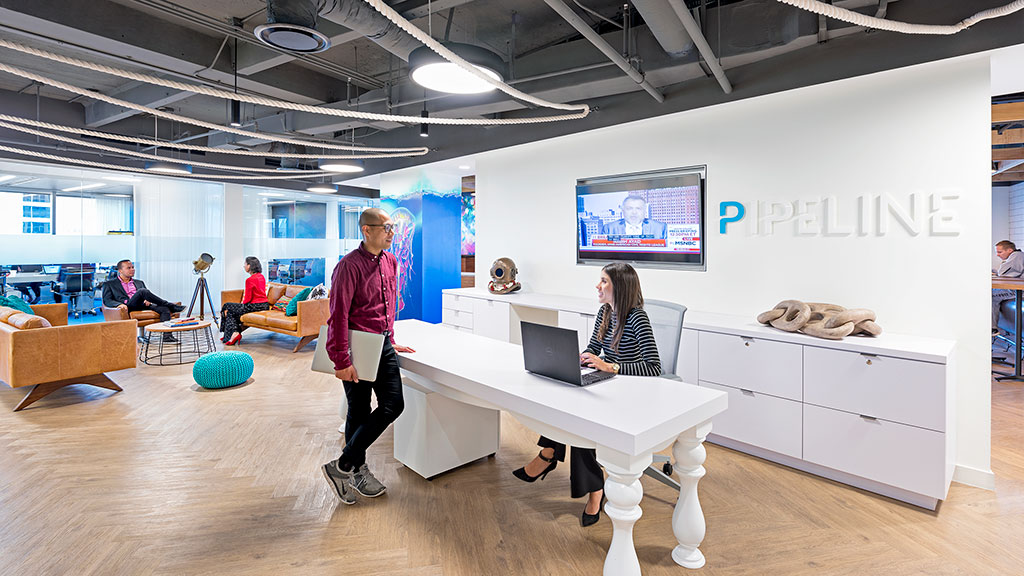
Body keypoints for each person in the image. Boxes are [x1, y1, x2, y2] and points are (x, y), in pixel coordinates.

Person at [512, 262, 661, 527]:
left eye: (604, 281)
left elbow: (654, 366)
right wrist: (578, 358)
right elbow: (594, 346)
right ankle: (549, 451)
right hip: (609, 383)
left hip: (631, 391)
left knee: (580, 420)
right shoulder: (606, 311)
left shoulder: (638, 317)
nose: (598, 286)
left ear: (620, 287)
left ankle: (593, 490)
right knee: (564, 398)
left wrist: (611, 366)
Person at [321, 208, 416, 505]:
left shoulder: (390, 260)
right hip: (357, 346)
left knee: (393, 405)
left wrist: (392, 338)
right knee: (359, 410)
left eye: (392, 227)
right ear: (366, 229)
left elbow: (386, 305)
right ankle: (357, 471)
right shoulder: (348, 266)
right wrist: (341, 360)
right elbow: (338, 315)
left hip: (383, 344)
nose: (391, 232)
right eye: (386, 227)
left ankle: (342, 466)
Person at [101, 259, 185, 342]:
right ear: (120, 271)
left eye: (133, 267)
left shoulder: (139, 282)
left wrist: (147, 300)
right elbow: (107, 300)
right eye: (128, 268)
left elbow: (147, 295)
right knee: (142, 291)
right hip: (127, 306)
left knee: (164, 309)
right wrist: (118, 305)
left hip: (142, 305)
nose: (132, 269)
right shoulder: (109, 284)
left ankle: (167, 337)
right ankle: (171, 305)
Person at [220, 256, 269, 345]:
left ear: (249, 266)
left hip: (255, 306)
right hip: (265, 304)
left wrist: (241, 306)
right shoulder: (261, 276)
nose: (244, 266)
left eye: (245, 264)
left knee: (226, 306)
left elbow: (247, 299)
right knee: (231, 312)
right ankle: (233, 334)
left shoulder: (250, 280)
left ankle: (228, 334)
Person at [602, 194, 668, 240]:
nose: (634, 212)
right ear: (623, 210)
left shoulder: (660, 228)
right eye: (629, 208)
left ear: (645, 211)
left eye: (638, 208)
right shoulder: (609, 228)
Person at [993, 240, 1024, 334]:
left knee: (991, 296)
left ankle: (992, 329)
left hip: (1019, 291)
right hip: (1016, 289)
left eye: (1000, 252)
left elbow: (1003, 273)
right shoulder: (1016, 256)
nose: (998, 255)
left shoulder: (1017, 255)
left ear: (1010, 250)